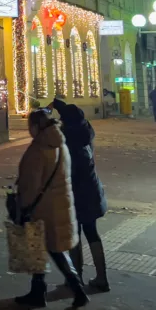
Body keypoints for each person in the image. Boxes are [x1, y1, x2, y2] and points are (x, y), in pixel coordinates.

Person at [14, 109, 89, 309]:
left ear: (37, 126)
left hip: (41, 208)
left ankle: (70, 290)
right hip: (59, 204)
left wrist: (22, 208)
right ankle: (44, 291)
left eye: (30, 126)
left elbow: (31, 184)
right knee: (51, 249)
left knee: (41, 247)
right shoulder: (60, 144)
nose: (29, 130)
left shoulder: (38, 149)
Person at [51, 98, 109, 292]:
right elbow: (72, 115)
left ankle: (76, 279)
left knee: (74, 236)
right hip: (92, 190)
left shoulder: (69, 141)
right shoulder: (85, 131)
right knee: (92, 233)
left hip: (76, 193)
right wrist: (57, 105)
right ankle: (102, 277)